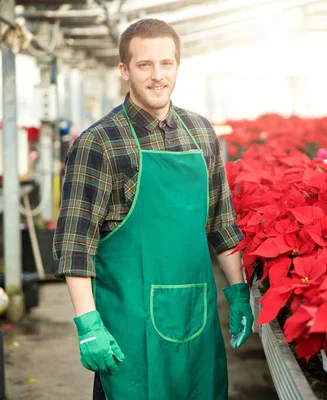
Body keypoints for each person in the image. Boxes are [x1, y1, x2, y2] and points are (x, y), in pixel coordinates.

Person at [53, 18, 253, 400]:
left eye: (166, 63)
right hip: (131, 327)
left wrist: (239, 291)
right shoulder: (100, 143)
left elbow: (222, 224)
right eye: (145, 65)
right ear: (125, 70)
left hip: (197, 319)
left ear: (178, 66)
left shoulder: (200, 132)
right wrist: (88, 323)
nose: (157, 75)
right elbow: (76, 245)